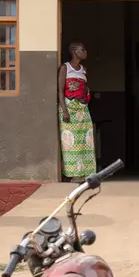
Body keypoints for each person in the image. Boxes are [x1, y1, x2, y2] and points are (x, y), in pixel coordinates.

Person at [57, 42, 96, 181]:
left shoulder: (83, 69)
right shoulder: (64, 68)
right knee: (71, 142)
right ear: (74, 52)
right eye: (82, 49)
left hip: (82, 108)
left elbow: (85, 88)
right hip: (69, 108)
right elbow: (60, 91)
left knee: (86, 140)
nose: (85, 52)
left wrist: (85, 98)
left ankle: (86, 172)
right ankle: (74, 174)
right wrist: (65, 110)